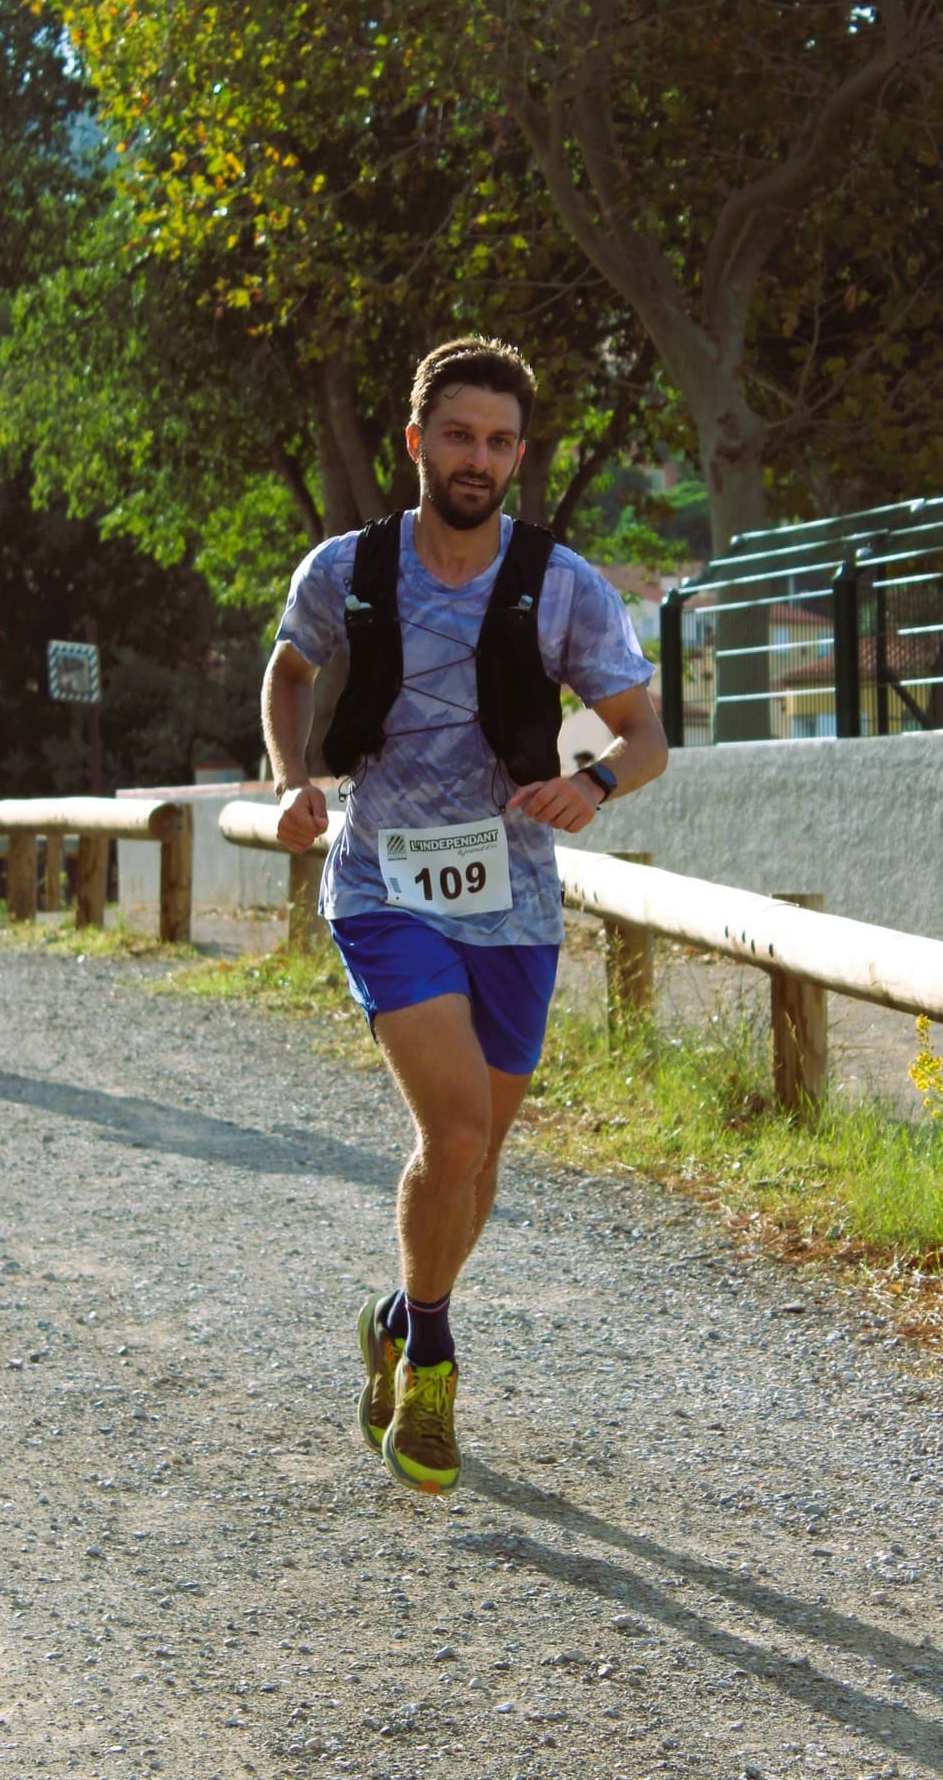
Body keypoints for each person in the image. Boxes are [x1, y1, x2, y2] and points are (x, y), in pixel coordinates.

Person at [263, 336, 667, 1494]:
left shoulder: (563, 582)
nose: (477, 458)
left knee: (478, 1158)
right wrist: (290, 774)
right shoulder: (347, 568)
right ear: (416, 442)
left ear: (520, 455)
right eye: (457, 435)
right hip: (386, 877)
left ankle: (397, 1309)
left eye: (498, 441)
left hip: (517, 896)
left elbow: (644, 736)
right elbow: (293, 672)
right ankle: (433, 1360)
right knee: (452, 1134)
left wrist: (589, 782)